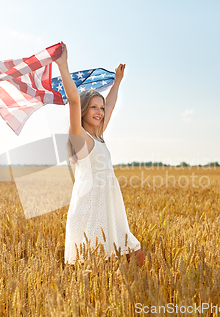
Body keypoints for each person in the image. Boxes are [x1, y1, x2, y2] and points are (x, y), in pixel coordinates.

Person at [55, 41, 144, 267]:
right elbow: (73, 100)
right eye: (94, 107)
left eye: (101, 108)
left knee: (132, 252)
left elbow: (111, 105)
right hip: (90, 206)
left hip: (109, 204)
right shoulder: (80, 136)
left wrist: (117, 83)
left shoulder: (98, 137)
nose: (100, 112)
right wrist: (63, 66)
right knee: (94, 262)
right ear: (84, 110)